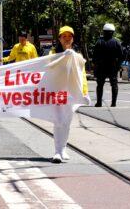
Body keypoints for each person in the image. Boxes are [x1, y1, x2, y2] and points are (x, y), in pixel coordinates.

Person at [50, 26, 90, 163]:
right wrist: (61, 58)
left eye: (69, 36)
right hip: (57, 92)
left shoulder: (77, 55)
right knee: (58, 121)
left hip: (71, 93)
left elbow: (82, 75)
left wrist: (85, 92)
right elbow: (48, 69)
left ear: (73, 38)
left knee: (66, 122)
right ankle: (56, 151)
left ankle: (63, 148)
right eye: (64, 36)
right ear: (59, 38)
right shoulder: (53, 52)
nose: (67, 39)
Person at [92, 23, 123, 107]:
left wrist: (95, 65)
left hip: (101, 67)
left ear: (104, 31)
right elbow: (121, 56)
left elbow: (94, 56)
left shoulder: (99, 42)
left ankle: (99, 103)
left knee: (100, 85)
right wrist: (118, 66)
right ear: (113, 32)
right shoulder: (117, 42)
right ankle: (113, 103)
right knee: (114, 85)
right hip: (113, 67)